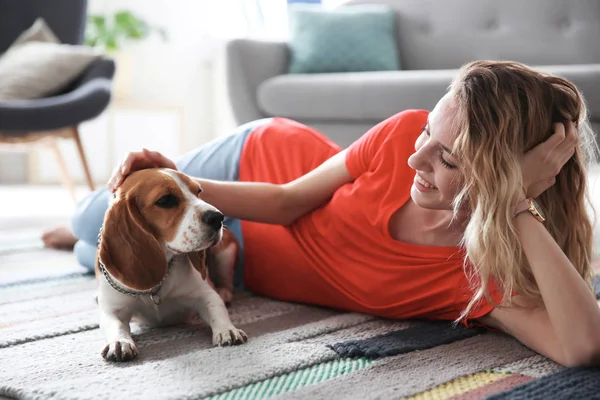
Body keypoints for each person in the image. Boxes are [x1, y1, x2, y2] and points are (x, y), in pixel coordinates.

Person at [43, 60, 600, 367]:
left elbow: (582, 346)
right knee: (100, 223)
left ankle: (76, 244)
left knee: (94, 261)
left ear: (502, 180)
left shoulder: (485, 278)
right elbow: (288, 202)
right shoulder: (400, 136)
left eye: (446, 158)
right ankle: (78, 226)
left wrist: (518, 208)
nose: (415, 154)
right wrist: (181, 187)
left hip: (238, 256)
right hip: (257, 168)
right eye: (429, 129)